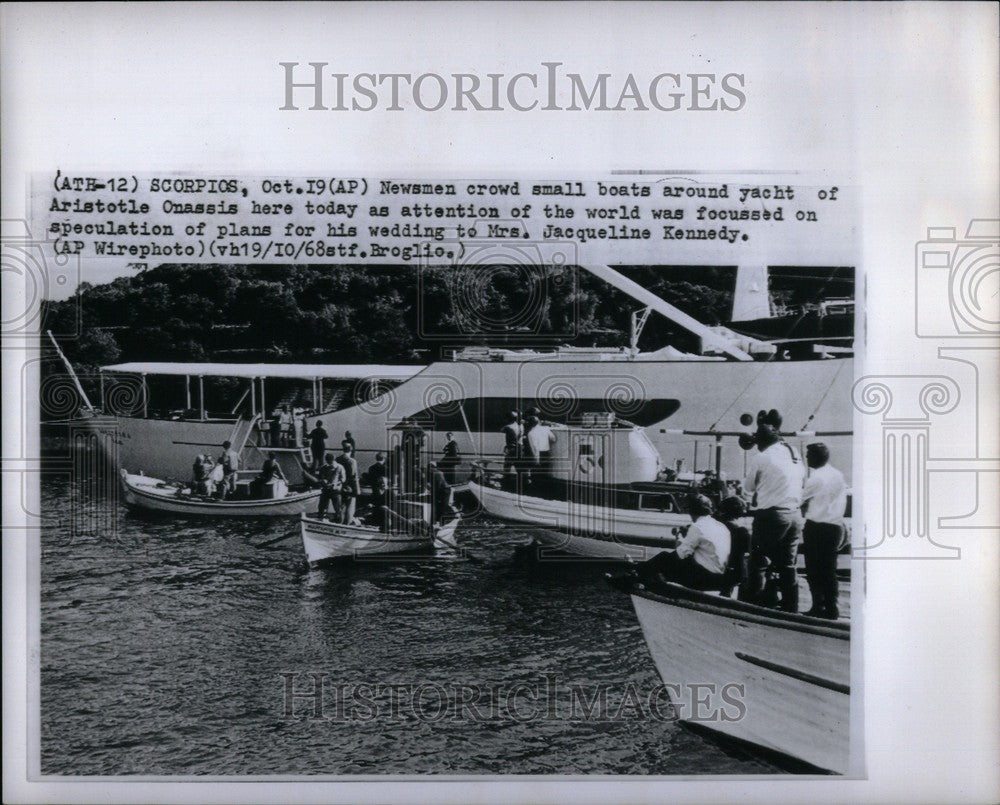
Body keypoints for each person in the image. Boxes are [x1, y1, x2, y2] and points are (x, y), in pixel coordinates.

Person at [742, 418, 806, 612]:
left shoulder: (763, 457)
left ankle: (753, 605)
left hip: (772, 514)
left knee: (758, 562)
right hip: (794, 514)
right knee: (787, 564)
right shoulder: (794, 453)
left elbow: (748, 487)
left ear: (760, 442)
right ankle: (791, 606)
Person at [637, 495, 731, 591]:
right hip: (720, 576)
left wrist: (653, 565)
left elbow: (680, 554)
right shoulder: (721, 527)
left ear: (691, 511)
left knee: (664, 557)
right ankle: (649, 576)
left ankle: (638, 576)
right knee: (669, 562)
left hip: (705, 578)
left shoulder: (698, 526)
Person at [801, 443, 847, 619]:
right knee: (829, 570)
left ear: (816, 457)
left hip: (817, 526)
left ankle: (817, 606)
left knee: (814, 570)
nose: (807, 458)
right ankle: (831, 608)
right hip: (834, 527)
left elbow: (800, 497)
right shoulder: (838, 475)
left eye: (809, 455)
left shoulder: (817, 477)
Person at [715, 495, 752, 600]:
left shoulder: (715, 525)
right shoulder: (741, 531)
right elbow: (748, 549)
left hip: (716, 565)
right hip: (734, 572)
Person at [336, 441, 361, 524]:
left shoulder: (338, 459)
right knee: (350, 507)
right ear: (351, 450)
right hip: (350, 487)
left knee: (341, 506)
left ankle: (340, 523)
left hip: (340, 486)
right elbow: (354, 476)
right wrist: (357, 490)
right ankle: (347, 524)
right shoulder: (352, 461)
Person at [525, 415, 556, 481]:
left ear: (530, 424)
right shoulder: (545, 429)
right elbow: (553, 439)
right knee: (545, 472)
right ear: (538, 422)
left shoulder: (530, 433)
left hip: (538, 455)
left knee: (536, 475)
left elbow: (534, 447)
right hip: (546, 453)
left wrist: (536, 460)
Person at [316, 453, 346, 521]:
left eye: (330, 461)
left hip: (335, 491)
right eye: (328, 461)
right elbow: (321, 478)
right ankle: (321, 520)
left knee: (338, 508)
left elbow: (343, 479)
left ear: (333, 460)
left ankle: (340, 522)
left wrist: (334, 484)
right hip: (325, 490)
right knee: (322, 507)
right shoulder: (323, 467)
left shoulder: (339, 467)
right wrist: (323, 481)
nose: (329, 463)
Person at [501, 411, 523, 490]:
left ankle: (505, 484)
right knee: (518, 466)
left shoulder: (508, 427)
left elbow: (502, 430)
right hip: (519, 448)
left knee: (507, 466)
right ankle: (522, 483)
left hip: (511, 448)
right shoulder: (520, 426)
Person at [428, 460, 453, 524]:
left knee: (443, 506)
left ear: (433, 467)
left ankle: (441, 521)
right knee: (439, 505)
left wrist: (435, 493)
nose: (428, 468)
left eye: (429, 467)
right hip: (441, 490)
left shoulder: (437, 473)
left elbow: (439, 484)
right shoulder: (434, 472)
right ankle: (437, 520)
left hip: (444, 490)